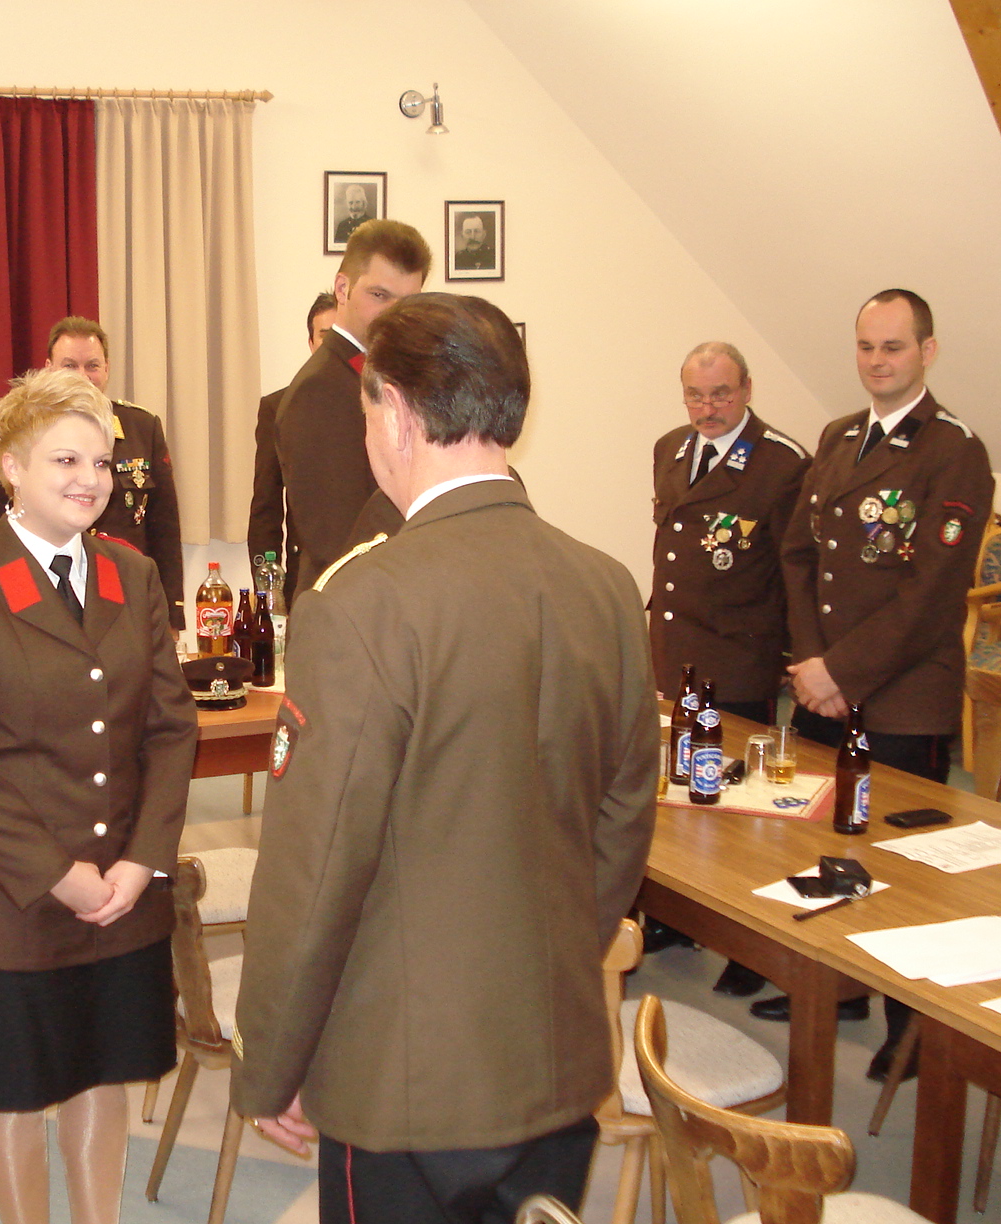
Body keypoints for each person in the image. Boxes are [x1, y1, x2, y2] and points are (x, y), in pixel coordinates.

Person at [233, 293, 657, 1224]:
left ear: (396, 411)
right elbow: (625, 817)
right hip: (554, 1059)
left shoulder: (362, 602)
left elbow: (315, 871)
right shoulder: (606, 584)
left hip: (402, 1081)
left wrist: (271, 1063)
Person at [0, 367, 197, 1224]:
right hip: (13, 896)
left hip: (121, 891)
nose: (89, 480)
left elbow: (170, 729)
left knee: (104, 1074)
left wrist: (143, 861)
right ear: (11, 469)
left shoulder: (132, 576)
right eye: (65, 460)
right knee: (15, 1090)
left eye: (102, 464)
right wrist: (55, 874)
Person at [762, 289, 993, 1079]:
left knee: (902, 865)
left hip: (902, 696)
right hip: (824, 684)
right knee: (826, 843)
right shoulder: (838, 437)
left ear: (927, 351)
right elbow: (799, 557)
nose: (877, 361)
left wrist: (840, 670)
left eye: (893, 347)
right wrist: (810, 662)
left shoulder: (954, 451)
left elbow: (932, 595)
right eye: (866, 346)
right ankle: (838, 987)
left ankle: (911, 1023)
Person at [646, 341, 809, 994]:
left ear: (746, 389)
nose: (707, 407)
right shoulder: (669, 448)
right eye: (695, 394)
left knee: (741, 809)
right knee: (678, 797)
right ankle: (676, 921)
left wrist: (794, 657)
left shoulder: (782, 463)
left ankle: (752, 950)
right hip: (676, 653)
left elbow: (795, 570)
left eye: (720, 393)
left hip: (738, 661)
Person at [0, 317, 185, 631]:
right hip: (38, 590)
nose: (82, 376)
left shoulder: (141, 427)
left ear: (107, 369)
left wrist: (170, 613)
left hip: (123, 591)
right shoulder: (20, 428)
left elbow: (164, 528)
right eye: (69, 366)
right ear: (49, 368)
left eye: (92, 366)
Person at [275, 219, 431, 602]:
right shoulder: (321, 388)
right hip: (354, 607)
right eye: (379, 295)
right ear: (342, 289)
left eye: (407, 302)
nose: (394, 314)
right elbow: (338, 541)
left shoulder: (390, 376)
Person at [246, 291, 336, 588]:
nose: (334, 346)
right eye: (325, 336)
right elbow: (265, 509)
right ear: (311, 344)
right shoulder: (280, 408)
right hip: (306, 576)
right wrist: (268, 590)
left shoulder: (381, 404)